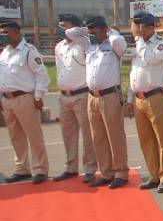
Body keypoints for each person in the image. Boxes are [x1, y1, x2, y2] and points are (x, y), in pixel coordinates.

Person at [67, 17, 130, 189]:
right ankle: (107, 173)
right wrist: (87, 30)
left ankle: (121, 173)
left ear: (104, 30)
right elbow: (69, 32)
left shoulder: (114, 45)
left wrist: (111, 32)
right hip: (92, 97)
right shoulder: (89, 45)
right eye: (90, 33)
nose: (92, 36)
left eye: (95, 32)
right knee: (99, 137)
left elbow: (119, 41)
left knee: (114, 136)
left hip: (110, 96)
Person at [126, 12, 163, 193]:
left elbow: (149, 59)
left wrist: (138, 40)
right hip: (139, 98)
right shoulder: (139, 46)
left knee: (162, 139)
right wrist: (130, 99)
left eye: (139, 28)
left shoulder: (161, 44)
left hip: (155, 97)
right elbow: (134, 73)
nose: (136, 31)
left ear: (149, 28)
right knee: (146, 140)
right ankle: (153, 175)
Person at [0, 18, 50, 184]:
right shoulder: (5, 52)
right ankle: (22, 169)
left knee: (33, 135)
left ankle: (41, 169)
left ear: (16, 32)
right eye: (2, 32)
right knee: (15, 136)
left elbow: (41, 75)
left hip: (24, 98)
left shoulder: (29, 51)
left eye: (6, 32)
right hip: (7, 99)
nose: (3, 35)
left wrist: (38, 97)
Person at [53, 14, 98, 183]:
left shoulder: (84, 45)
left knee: (88, 135)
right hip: (65, 96)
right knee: (68, 134)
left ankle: (90, 168)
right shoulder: (59, 47)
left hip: (81, 95)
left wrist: (79, 31)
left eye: (64, 26)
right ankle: (71, 167)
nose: (60, 29)